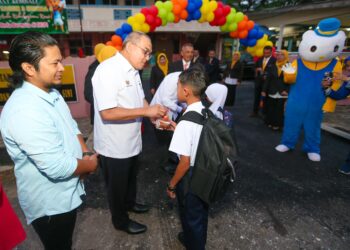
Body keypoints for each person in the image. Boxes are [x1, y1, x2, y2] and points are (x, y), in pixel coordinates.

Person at [0, 31, 98, 249]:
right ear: (28, 68)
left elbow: (71, 126)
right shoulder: (24, 110)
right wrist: (89, 165)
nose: (61, 68)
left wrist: (85, 152)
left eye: (61, 61)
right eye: (55, 63)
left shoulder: (51, 93)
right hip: (51, 205)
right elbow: (57, 166)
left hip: (67, 191)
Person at [92, 31, 167, 234]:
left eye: (149, 53)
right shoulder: (108, 70)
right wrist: (146, 111)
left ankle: (130, 203)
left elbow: (140, 99)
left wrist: (151, 114)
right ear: (130, 46)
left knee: (131, 177)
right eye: (145, 51)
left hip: (132, 140)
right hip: (114, 145)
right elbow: (107, 113)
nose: (148, 57)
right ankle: (120, 220)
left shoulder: (133, 71)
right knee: (116, 186)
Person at [167, 67, 208, 250]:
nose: (176, 90)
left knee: (190, 215)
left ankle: (195, 244)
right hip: (206, 170)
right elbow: (196, 137)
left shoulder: (186, 121)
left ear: (186, 91)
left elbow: (184, 163)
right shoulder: (205, 111)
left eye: (177, 86)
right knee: (200, 214)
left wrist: (171, 185)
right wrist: (177, 128)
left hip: (191, 177)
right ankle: (195, 239)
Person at [262, 50, 289, 130]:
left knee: (279, 109)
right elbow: (268, 80)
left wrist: (287, 90)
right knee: (271, 108)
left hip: (283, 91)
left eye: (282, 55)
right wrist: (264, 90)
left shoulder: (289, 66)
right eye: (278, 54)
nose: (279, 56)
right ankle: (270, 122)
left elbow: (291, 81)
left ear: (285, 56)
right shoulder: (272, 66)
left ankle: (278, 124)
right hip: (272, 90)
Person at [251, 46, 276, 117]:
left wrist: (267, 75)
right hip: (258, 82)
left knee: (266, 98)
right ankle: (255, 112)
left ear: (271, 52)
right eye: (264, 52)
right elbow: (254, 67)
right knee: (256, 97)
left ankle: (264, 113)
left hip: (267, 83)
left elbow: (274, 71)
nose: (266, 54)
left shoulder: (274, 60)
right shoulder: (260, 59)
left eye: (267, 53)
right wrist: (257, 69)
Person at [84, 43, 105, 125]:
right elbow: (88, 94)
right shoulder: (94, 69)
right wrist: (105, 103)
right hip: (99, 115)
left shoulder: (106, 66)